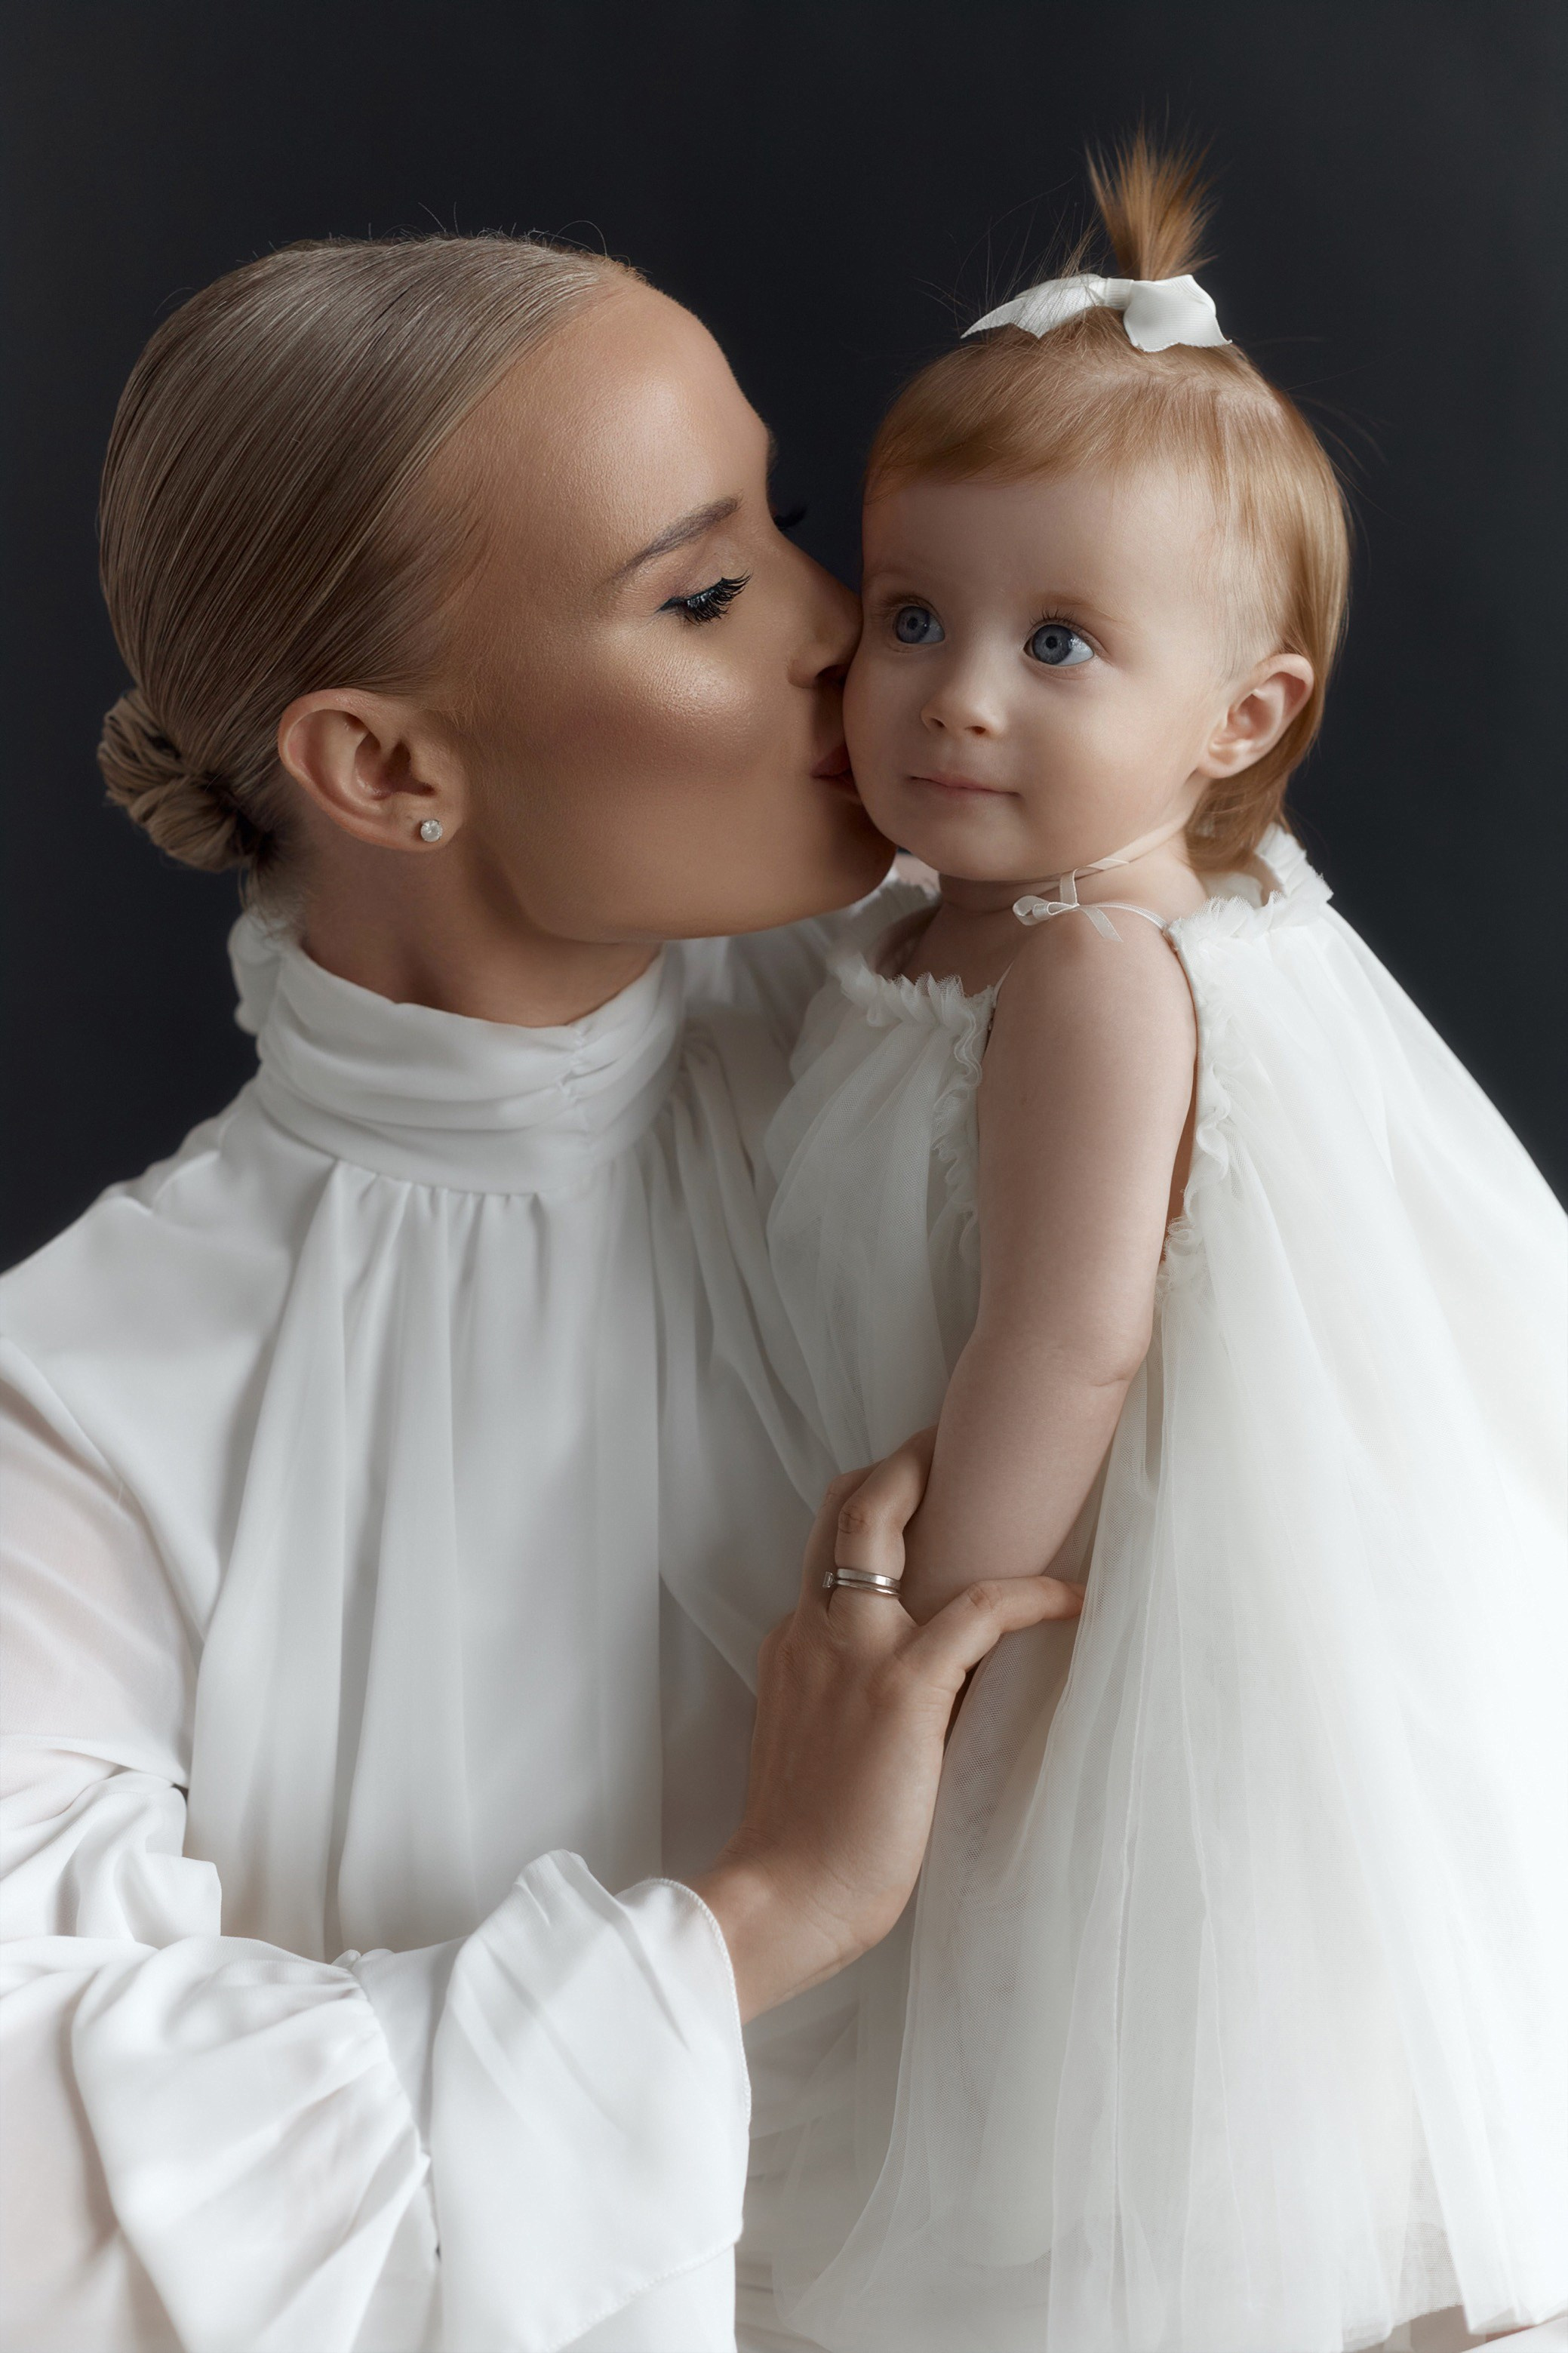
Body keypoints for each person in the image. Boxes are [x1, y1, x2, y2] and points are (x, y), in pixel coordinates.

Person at [0, 233, 1084, 2351]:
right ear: (388, 769)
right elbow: (44, 2172)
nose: (838, 628)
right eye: (705, 593)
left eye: (781, 519)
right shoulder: (88, 1393)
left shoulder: (983, 1048)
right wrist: (756, 1913)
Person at [755, 140, 1567, 2352]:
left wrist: (943, 1645)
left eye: (1060, 643)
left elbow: (1066, 1342)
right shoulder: (928, 918)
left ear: (1242, 720)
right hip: (955, 1502)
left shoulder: (1098, 974)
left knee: (1063, 2028)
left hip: (1074, 1585)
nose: (958, 694)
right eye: (911, 616)